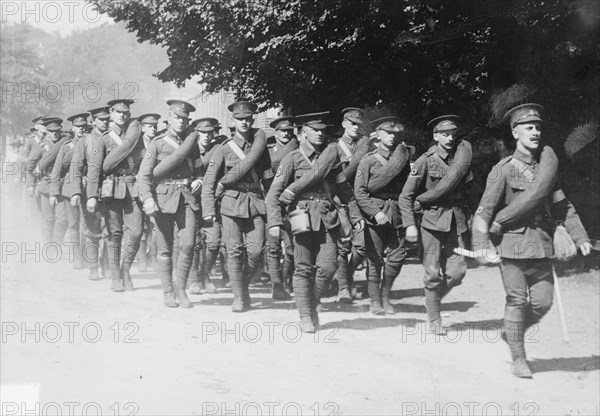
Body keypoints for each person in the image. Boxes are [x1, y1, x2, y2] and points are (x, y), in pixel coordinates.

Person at [472, 103, 592, 378]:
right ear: (516, 133)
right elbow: (484, 210)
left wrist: (580, 235)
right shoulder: (502, 170)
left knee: (542, 303)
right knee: (516, 300)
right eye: (529, 128)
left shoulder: (547, 171)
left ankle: (511, 333)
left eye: (538, 127)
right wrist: (482, 245)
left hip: (541, 244)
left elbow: (564, 207)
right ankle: (518, 358)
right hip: (512, 246)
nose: (535, 132)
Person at [266, 112, 361, 333]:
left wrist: (355, 217)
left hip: (327, 217)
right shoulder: (292, 159)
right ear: (302, 133)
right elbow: (273, 194)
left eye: (322, 130)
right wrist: (275, 223)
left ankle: (312, 302)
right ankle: (306, 316)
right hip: (300, 217)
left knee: (328, 266)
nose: (319, 133)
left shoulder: (331, 160)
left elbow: (344, 191)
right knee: (303, 268)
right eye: (314, 130)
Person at [399, 115, 475, 334]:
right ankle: (434, 318)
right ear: (436, 136)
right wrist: (409, 224)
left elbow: (470, 190)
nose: (450, 138)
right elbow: (406, 195)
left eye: (453, 133)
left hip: (456, 221)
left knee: (458, 271)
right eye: (445, 134)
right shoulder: (425, 160)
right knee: (432, 273)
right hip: (432, 222)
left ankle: (432, 300)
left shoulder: (460, 159)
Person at [202, 101, 273, 312]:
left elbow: (268, 178)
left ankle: (241, 285)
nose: (244, 122)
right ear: (233, 121)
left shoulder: (260, 148)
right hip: (231, 204)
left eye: (248, 118)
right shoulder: (223, 150)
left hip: (255, 202)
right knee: (233, 251)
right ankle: (240, 297)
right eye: (240, 119)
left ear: (252, 120)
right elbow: (209, 182)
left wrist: (275, 205)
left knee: (256, 251)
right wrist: (208, 210)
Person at [138, 100, 200, 308]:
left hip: (186, 198)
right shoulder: (157, 143)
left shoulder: (191, 143)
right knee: (165, 248)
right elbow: (144, 175)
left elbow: (199, 169)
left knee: (189, 243)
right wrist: (147, 198)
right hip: (163, 198)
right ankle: (168, 292)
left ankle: (181, 289)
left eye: (184, 118)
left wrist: (199, 179)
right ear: (169, 119)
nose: (181, 122)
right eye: (177, 118)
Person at [354, 116, 411, 315]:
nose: (392, 137)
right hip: (375, 215)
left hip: (397, 212)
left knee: (397, 258)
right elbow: (359, 192)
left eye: (395, 134)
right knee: (375, 259)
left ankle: (386, 296)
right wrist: (375, 212)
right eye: (388, 133)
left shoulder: (402, 160)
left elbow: (407, 189)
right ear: (378, 135)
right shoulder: (368, 160)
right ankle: (375, 301)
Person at [93, 99, 144, 292]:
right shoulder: (104, 138)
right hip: (111, 189)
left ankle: (125, 270)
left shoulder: (136, 137)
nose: (122, 115)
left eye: (126, 112)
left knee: (137, 232)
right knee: (114, 234)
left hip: (132, 187)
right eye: (118, 112)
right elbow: (96, 168)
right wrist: (92, 195)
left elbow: (143, 160)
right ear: (111, 113)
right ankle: (115, 276)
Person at [67, 107, 111, 280]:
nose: (105, 122)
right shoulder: (85, 141)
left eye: (107, 119)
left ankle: (106, 265)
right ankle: (93, 266)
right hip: (89, 190)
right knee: (92, 229)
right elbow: (75, 168)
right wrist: (76, 192)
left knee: (111, 229)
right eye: (101, 120)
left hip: (111, 190)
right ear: (93, 122)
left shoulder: (112, 139)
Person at [334, 108, 368, 303]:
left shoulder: (366, 146)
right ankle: (343, 288)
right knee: (343, 247)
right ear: (344, 124)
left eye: (358, 124)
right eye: (352, 123)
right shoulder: (335, 148)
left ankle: (347, 275)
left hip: (363, 200)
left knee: (362, 247)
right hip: (343, 203)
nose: (355, 127)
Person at [49, 113, 89, 269]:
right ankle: (77, 258)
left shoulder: (92, 144)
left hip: (88, 188)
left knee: (87, 225)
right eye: (78, 127)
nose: (81, 129)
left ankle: (88, 257)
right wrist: (53, 192)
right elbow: (57, 169)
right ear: (73, 128)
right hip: (68, 188)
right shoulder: (66, 146)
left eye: (84, 126)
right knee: (73, 224)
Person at [187, 117, 222, 295]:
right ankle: (193, 279)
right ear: (196, 133)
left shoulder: (218, 150)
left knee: (214, 242)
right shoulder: (189, 150)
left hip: (211, 202)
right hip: (191, 202)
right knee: (194, 243)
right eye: (202, 133)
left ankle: (205, 274)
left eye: (209, 132)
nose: (207, 136)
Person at [265, 116, 299, 300]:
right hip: (270, 202)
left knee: (293, 247)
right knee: (273, 247)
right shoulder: (268, 151)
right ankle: (277, 285)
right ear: (275, 133)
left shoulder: (297, 149)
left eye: (289, 131)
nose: (286, 134)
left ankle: (286, 280)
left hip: (290, 203)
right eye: (282, 131)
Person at [25, 117, 69, 245]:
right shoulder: (41, 147)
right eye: (51, 131)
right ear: (47, 132)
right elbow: (29, 167)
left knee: (62, 220)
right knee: (48, 219)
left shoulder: (64, 144)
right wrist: (30, 185)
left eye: (57, 131)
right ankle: (47, 247)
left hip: (62, 185)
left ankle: (57, 246)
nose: (55, 134)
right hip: (47, 185)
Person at [137, 113, 161, 272]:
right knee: (141, 224)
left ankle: (153, 256)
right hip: (139, 187)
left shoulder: (160, 142)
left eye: (155, 126)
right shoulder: (136, 144)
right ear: (142, 127)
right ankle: (142, 258)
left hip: (156, 187)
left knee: (155, 224)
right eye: (149, 126)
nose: (153, 129)